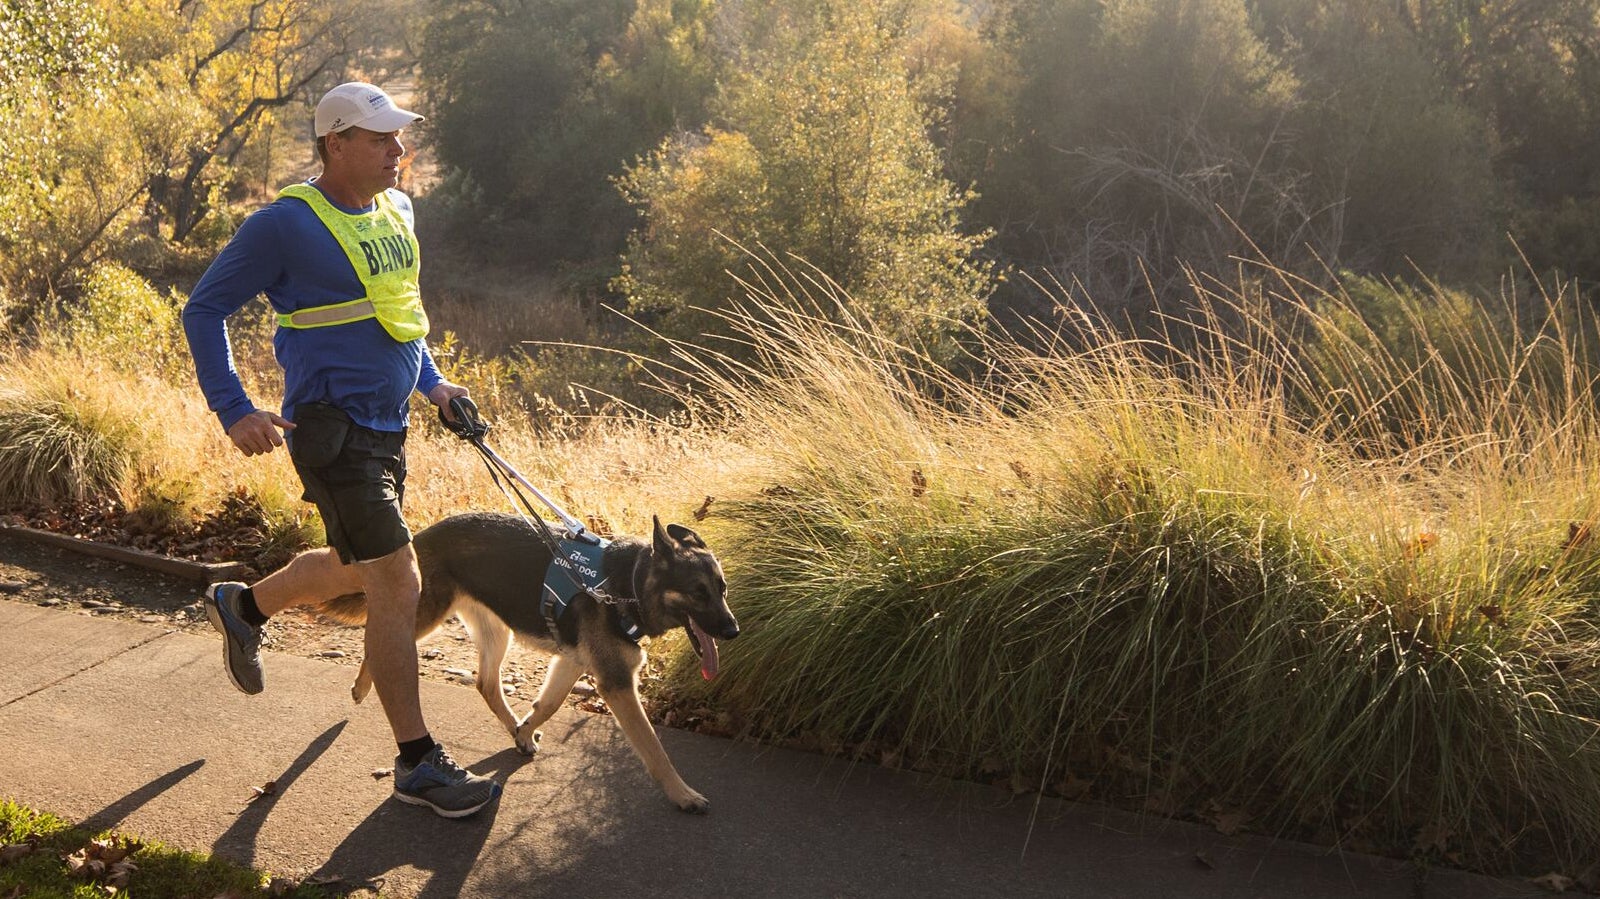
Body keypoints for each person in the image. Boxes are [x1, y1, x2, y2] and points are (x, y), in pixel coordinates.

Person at [182, 82, 500, 819]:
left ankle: (244, 605)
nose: (398, 150)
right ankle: (418, 762)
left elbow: (399, 317)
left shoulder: (397, 209)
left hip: (390, 427)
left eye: (398, 137)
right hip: (329, 432)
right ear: (335, 144)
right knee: (398, 579)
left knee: (356, 566)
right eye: (380, 137)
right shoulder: (284, 225)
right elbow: (204, 309)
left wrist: (438, 385)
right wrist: (233, 408)